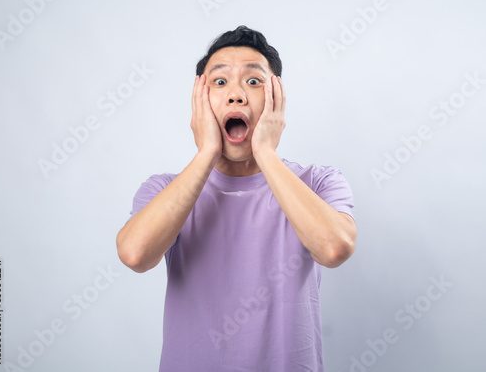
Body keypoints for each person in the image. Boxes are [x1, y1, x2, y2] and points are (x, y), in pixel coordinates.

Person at [116, 25, 357, 372]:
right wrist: (206, 153)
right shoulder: (163, 190)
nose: (236, 95)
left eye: (254, 81)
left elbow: (334, 249)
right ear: (199, 99)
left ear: (277, 97)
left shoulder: (318, 182)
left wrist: (265, 153)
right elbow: (135, 254)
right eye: (220, 82)